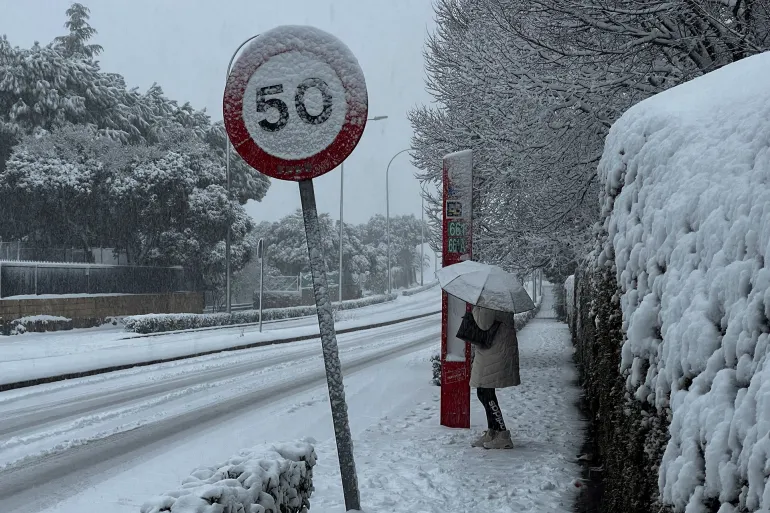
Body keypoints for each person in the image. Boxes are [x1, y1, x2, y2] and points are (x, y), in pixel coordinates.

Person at [469, 304, 520, 449]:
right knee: (483, 391)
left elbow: (483, 324)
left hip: (495, 350)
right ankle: (493, 431)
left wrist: (477, 307)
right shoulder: (495, 297)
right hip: (493, 349)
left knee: (486, 392)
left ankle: (502, 434)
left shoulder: (490, 299)